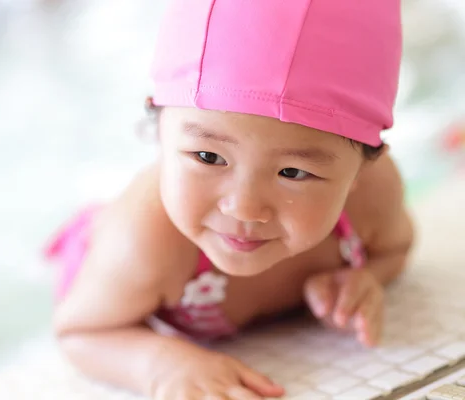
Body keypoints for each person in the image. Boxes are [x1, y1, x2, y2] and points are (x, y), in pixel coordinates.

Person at [48, 1, 413, 398]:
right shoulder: (147, 238)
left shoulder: (372, 197)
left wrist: (363, 280)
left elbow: (396, 249)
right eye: (208, 157)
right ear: (159, 135)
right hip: (103, 266)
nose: (243, 208)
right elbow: (80, 331)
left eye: (293, 172)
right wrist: (163, 366)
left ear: (360, 172)